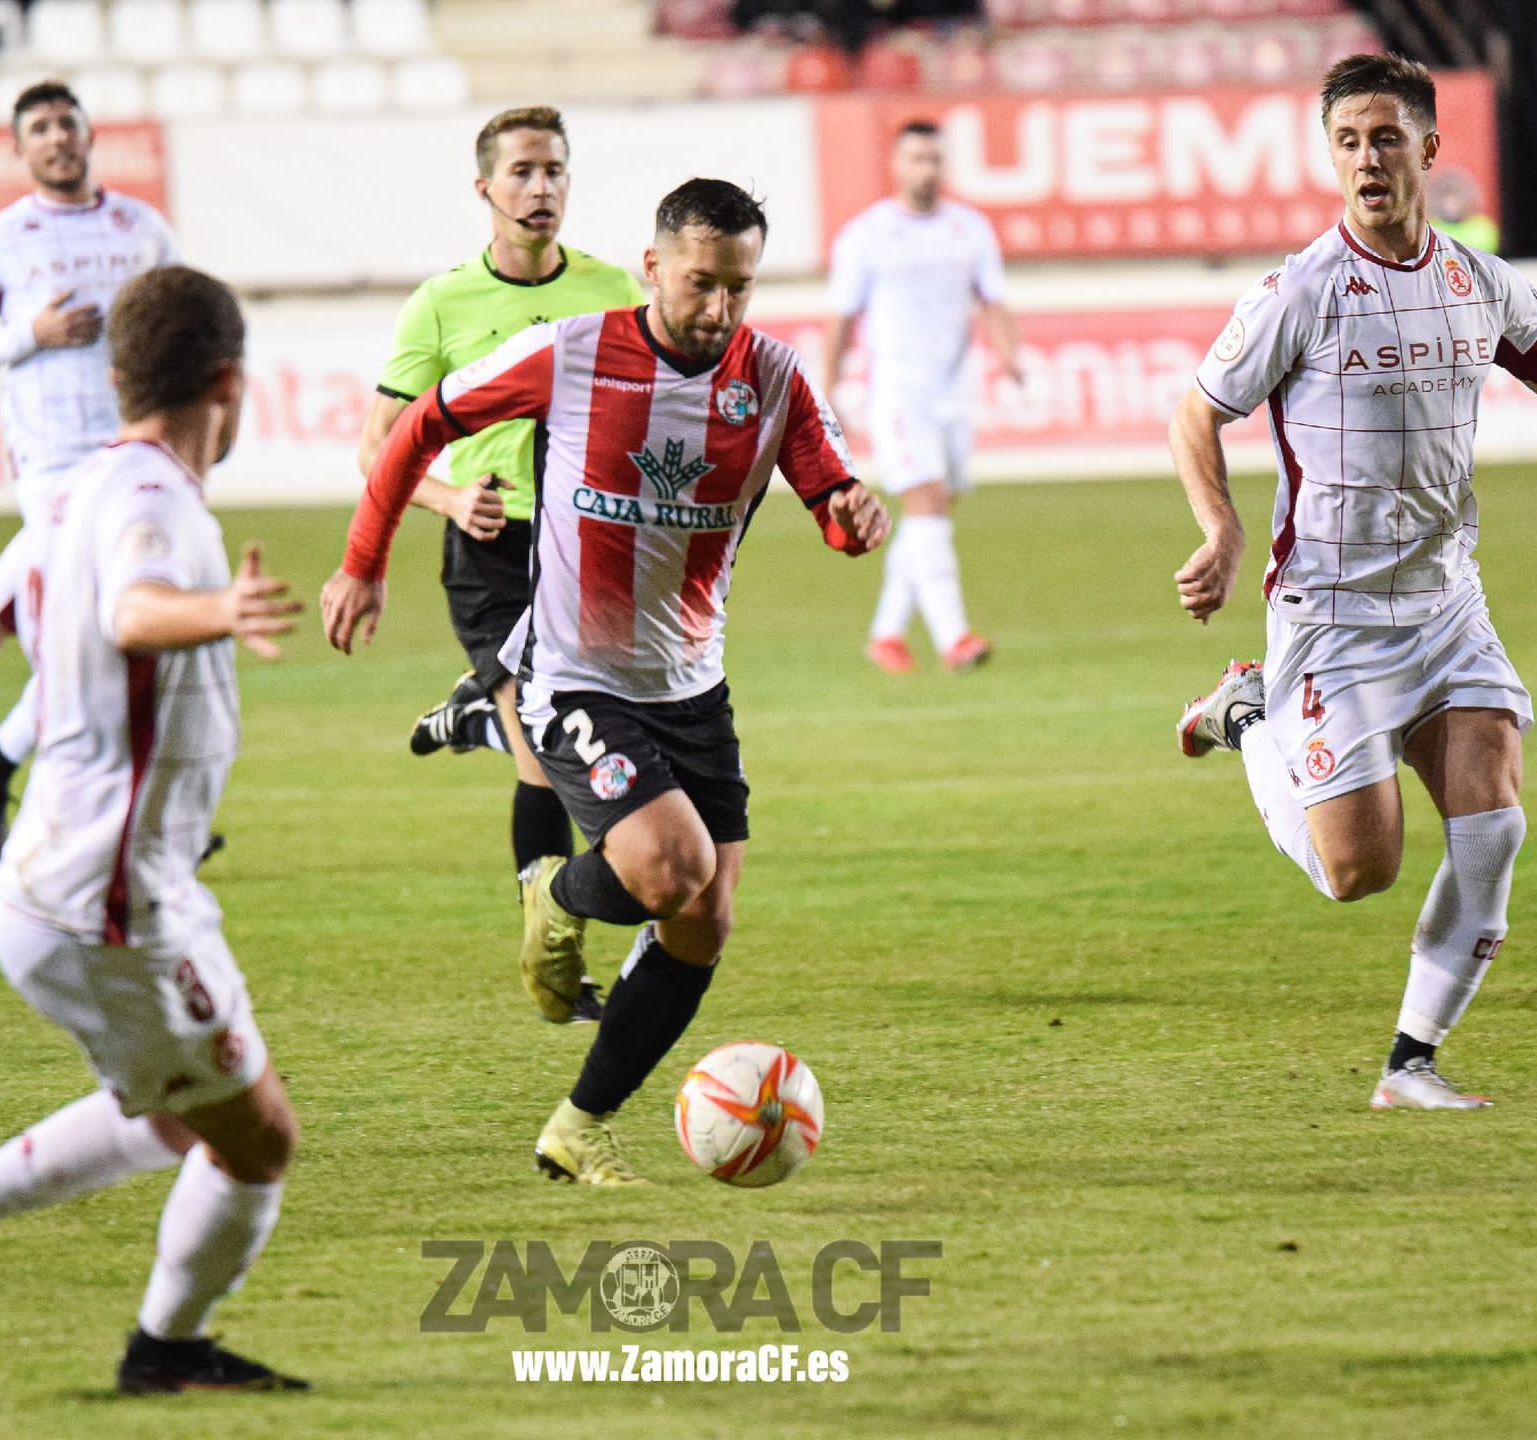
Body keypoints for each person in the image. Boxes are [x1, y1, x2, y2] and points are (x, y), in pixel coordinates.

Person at [320, 179, 890, 1185]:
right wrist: (361, 564)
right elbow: (416, 431)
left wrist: (851, 514)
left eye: (739, 290)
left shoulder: (774, 377)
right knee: (671, 868)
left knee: (702, 920)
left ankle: (578, 1124)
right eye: (700, 285)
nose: (718, 311)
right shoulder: (574, 353)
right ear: (653, 268)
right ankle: (554, 881)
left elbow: (831, 504)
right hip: (574, 673)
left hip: (691, 682)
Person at [1171, 54, 1537, 1111]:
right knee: (1356, 871)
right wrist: (1218, 530)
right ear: (1329, 158)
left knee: (1492, 817)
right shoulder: (1298, 291)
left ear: (1427, 151)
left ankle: (1410, 1063)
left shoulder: (1476, 281)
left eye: (1385, 138)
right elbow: (1195, 411)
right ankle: (1250, 719)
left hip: (1447, 601)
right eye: (1347, 142)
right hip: (1331, 615)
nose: (1366, 159)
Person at [0, 265, 309, 1393]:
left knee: (178, 1110)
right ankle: (167, 1351)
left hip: (58, 879)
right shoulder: (155, 504)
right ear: (227, 380)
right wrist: (221, 610)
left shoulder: (73, 488)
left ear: (116, 378)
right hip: (110, 902)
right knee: (255, 1138)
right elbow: (130, 609)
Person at [361, 106, 645, 1022]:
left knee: (582, 739)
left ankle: (478, 717)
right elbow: (378, 446)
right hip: (489, 553)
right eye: (522, 172)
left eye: (555, 171)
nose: (541, 188)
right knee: (545, 763)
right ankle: (553, 950)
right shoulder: (441, 304)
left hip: (585, 551)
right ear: (484, 189)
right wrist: (448, 496)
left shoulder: (609, 292)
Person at [0, 80, 182, 864]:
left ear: (88, 135)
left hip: (137, 455)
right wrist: (29, 334)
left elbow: (185, 313)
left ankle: (2, 757)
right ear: (20, 149)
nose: (56, 138)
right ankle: (111, 810)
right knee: (105, 632)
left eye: (66, 123)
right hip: (50, 465)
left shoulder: (140, 228)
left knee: (116, 634)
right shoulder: (2, 239)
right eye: (38, 128)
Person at [823, 119, 1021, 675]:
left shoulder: (970, 229)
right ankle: (954, 637)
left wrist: (1008, 352)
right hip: (899, 394)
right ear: (895, 164)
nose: (927, 170)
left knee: (931, 512)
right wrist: (830, 388)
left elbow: (993, 299)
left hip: (954, 393)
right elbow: (840, 319)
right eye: (916, 159)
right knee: (927, 502)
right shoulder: (866, 235)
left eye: (935, 159)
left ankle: (886, 633)